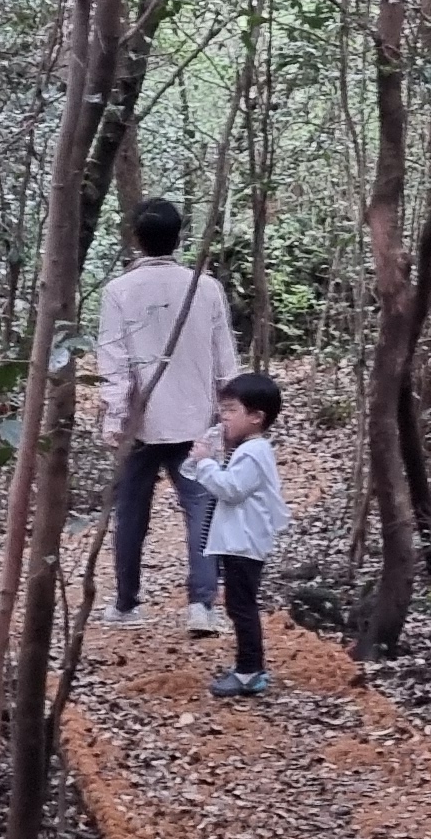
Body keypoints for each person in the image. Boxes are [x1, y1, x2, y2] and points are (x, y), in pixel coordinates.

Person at [95, 195, 240, 630]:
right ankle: (202, 606)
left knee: (131, 512)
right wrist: (228, 415)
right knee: (201, 509)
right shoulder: (206, 287)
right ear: (179, 238)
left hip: (141, 423)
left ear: (135, 239)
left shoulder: (118, 291)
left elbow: (114, 361)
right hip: (195, 419)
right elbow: (225, 360)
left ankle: (125, 604)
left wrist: (114, 419)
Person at [183, 372, 288, 697]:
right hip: (239, 541)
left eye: (231, 410)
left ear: (256, 417)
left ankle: (249, 672)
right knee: (239, 605)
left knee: (242, 607)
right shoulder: (248, 449)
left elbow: (232, 489)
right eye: (222, 411)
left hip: (244, 543)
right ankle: (248, 668)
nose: (223, 418)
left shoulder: (254, 452)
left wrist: (204, 464)